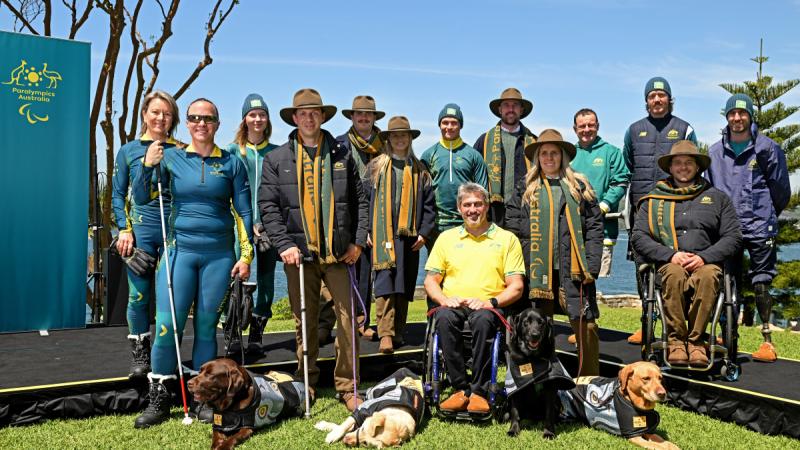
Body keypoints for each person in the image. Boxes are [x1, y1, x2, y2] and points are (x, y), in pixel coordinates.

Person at [132, 98, 253, 428]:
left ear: (217, 123)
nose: (201, 123)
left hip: (218, 255)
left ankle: (204, 399)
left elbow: (244, 212)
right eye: (194, 118)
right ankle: (158, 398)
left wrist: (246, 255)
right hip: (179, 254)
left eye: (208, 119)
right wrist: (146, 165)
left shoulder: (232, 163)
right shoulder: (170, 158)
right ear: (186, 123)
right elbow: (142, 198)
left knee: (204, 328)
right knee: (167, 326)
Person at [258, 88, 369, 412]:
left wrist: (358, 241)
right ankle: (306, 380)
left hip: (337, 255)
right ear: (294, 118)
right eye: (303, 113)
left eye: (315, 113)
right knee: (303, 321)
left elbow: (360, 200)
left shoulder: (341, 154)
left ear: (322, 116)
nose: (309, 118)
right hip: (299, 256)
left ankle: (348, 386)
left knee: (348, 320)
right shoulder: (277, 159)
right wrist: (284, 245)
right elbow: (268, 206)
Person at [632, 141, 742, 366]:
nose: (683, 167)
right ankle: (675, 341)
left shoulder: (718, 198)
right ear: (670, 168)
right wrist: (671, 255)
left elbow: (733, 237)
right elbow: (639, 237)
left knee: (708, 276)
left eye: (688, 163)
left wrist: (704, 257)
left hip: (706, 262)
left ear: (697, 167)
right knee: (673, 274)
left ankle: (696, 342)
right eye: (678, 163)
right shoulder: (654, 200)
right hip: (669, 262)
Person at [507, 129, 604, 376]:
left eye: (554, 153)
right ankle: (538, 378)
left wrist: (592, 264)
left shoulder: (579, 186)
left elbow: (594, 226)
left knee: (586, 326)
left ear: (562, 156)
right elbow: (512, 226)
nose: (549, 158)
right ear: (537, 157)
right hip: (537, 270)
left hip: (573, 268)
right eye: (544, 153)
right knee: (535, 329)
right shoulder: (525, 187)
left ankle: (588, 380)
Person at [424, 182, 524, 414]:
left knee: (482, 320)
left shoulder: (507, 239)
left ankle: (478, 391)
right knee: (445, 318)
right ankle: (460, 389)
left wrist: (492, 302)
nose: (473, 209)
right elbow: (430, 281)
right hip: (454, 303)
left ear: (487, 206)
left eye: (478, 204)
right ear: (459, 208)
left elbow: (516, 286)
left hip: (489, 306)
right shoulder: (446, 239)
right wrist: (443, 299)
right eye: (467, 204)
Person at [707, 94, 790, 363]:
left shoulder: (767, 148)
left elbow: (781, 191)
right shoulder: (714, 152)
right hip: (726, 228)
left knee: (762, 281)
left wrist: (765, 214)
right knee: (725, 282)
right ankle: (725, 335)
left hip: (759, 225)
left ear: (750, 116)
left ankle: (767, 340)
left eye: (742, 113)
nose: (737, 118)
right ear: (727, 117)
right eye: (732, 114)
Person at [623, 77, 698, 345]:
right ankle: (647, 322)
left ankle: (679, 326)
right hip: (643, 208)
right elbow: (628, 164)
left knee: (677, 266)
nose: (657, 100)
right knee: (643, 267)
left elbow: (695, 164)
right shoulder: (634, 130)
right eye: (652, 96)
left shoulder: (685, 128)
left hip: (676, 211)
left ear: (669, 99)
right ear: (646, 101)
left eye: (662, 95)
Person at [111, 90, 181, 378]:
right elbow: (117, 195)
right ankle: (140, 354)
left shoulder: (183, 149)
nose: (160, 118)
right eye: (155, 112)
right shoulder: (128, 150)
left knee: (171, 297)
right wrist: (124, 229)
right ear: (144, 115)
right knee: (138, 297)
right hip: (141, 232)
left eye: (166, 113)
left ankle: (166, 352)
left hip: (175, 231)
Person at [366, 116, 436, 354]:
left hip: (409, 237)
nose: (399, 139)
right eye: (395, 135)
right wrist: (366, 230)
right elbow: (364, 202)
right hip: (382, 234)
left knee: (404, 284)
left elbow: (429, 206)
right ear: (388, 139)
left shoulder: (420, 170)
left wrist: (425, 234)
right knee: (385, 282)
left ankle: (398, 331)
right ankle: (385, 333)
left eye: (403, 135)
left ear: (410, 138)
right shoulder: (375, 167)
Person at [319, 95, 386, 342]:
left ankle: (361, 322)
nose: (363, 117)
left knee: (366, 276)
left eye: (368, 114)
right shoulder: (338, 144)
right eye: (359, 114)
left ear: (374, 117)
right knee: (333, 274)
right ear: (352, 117)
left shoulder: (385, 145)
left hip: (379, 219)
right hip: (346, 219)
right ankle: (325, 326)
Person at [225, 93, 279, 355]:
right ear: (244, 119)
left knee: (267, 280)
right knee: (234, 276)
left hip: (268, 226)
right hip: (239, 225)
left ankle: (257, 333)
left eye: (262, 114)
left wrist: (269, 222)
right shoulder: (233, 151)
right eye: (252, 114)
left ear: (267, 119)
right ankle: (233, 333)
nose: (257, 119)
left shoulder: (277, 153)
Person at [570, 108, 630, 277]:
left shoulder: (612, 152)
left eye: (591, 125)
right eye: (582, 126)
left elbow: (620, 183)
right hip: (573, 231)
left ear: (598, 126)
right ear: (575, 129)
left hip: (603, 231)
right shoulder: (568, 154)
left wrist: (604, 205)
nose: (587, 129)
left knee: (595, 280)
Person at [421, 103, 488, 241]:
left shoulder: (473, 155)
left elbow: (483, 192)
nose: (449, 127)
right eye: (445, 123)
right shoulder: (429, 155)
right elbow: (422, 193)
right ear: (439, 125)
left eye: (454, 123)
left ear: (460, 126)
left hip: (466, 222)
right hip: (437, 224)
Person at [473, 88, 537, 227]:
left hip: (525, 210)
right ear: (500, 110)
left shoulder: (534, 142)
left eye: (515, 105)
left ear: (521, 110)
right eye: (506, 105)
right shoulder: (484, 141)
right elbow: (473, 177)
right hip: (493, 212)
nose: (511, 109)